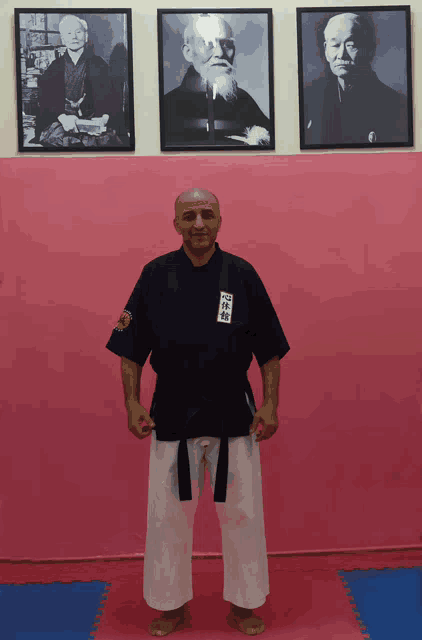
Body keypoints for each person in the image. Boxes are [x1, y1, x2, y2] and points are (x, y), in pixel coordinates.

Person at [105, 188, 290, 636]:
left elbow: (269, 349)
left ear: (221, 221)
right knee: (167, 516)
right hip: (171, 411)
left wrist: (270, 403)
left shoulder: (242, 275)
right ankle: (171, 606)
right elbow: (129, 350)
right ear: (175, 224)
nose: (199, 223)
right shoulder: (155, 275)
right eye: (189, 216)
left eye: (207, 214)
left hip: (234, 413)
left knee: (243, 514)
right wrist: (131, 402)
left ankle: (244, 604)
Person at [163, 14, 272, 146]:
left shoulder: (244, 101)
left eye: (227, 44)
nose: (220, 52)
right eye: (209, 43)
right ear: (188, 52)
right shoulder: (167, 106)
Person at [303, 12, 409, 146]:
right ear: (325, 50)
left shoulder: (397, 107)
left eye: (351, 45)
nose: (341, 55)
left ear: (369, 49)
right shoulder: (309, 100)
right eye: (335, 46)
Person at [35, 14, 127, 148]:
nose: (74, 36)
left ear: (85, 36)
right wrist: (62, 117)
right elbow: (46, 98)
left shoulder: (99, 64)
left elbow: (112, 96)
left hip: (93, 122)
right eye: (69, 33)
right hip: (63, 122)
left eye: (78, 32)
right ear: (63, 38)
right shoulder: (54, 67)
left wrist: (104, 118)